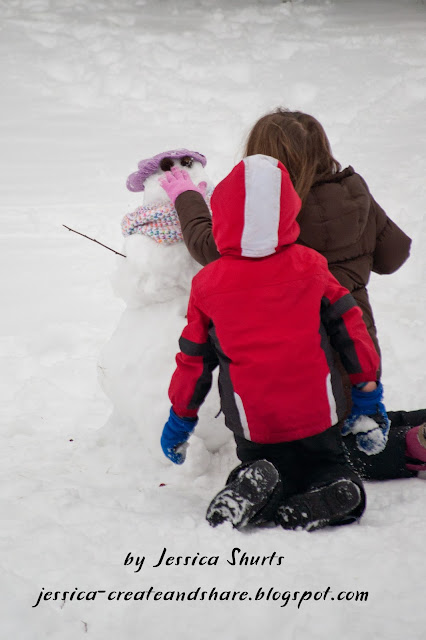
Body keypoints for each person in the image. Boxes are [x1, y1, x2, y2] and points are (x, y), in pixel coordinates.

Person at [159, 109, 426, 481]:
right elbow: (393, 256)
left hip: (312, 371)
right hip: (359, 351)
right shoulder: (353, 190)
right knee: (360, 422)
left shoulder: (275, 220)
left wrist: (188, 198)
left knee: (336, 454)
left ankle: (415, 446)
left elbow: (211, 246)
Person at [160, 154, 385, 532]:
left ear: (223, 215)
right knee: (328, 462)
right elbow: (352, 329)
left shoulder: (207, 285)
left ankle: (256, 480)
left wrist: (181, 417)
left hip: (255, 421)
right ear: (287, 213)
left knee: (262, 463)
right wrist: (367, 391)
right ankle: (337, 486)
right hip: (318, 411)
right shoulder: (311, 266)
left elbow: (194, 359)